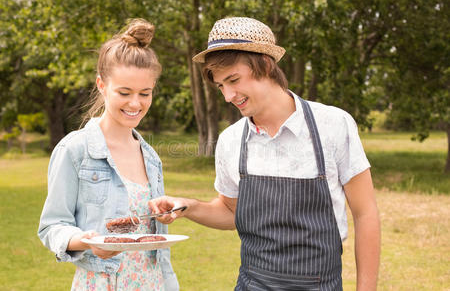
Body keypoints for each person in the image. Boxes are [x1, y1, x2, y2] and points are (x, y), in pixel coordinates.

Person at [149, 17, 380, 290]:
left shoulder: (333, 125)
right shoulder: (231, 141)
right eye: (221, 85)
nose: (228, 95)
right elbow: (229, 212)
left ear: (266, 65)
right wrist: (186, 206)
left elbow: (365, 214)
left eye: (234, 80)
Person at [38, 19, 179, 290]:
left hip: (154, 283)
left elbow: (151, 240)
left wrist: (161, 216)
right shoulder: (75, 150)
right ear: (102, 85)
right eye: (124, 92)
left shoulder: (151, 158)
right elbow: (52, 226)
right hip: (102, 283)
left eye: (145, 93)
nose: (135, 103)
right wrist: (86, 241)